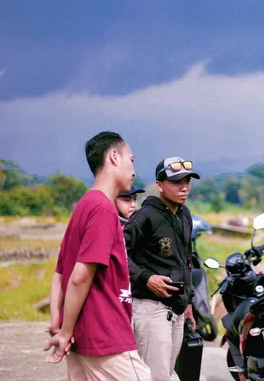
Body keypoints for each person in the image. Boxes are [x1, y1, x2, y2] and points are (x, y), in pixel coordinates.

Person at [43, 131, 151, 380]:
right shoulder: (103, 208)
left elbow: (60, 274)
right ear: (114, 157)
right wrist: (65, 331)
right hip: (105, 337)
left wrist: (58, 324)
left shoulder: (84, 205)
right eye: (131, 159)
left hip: (84, 340)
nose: (134, 170)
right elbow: (79, 277)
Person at [124, 157, 199, 381]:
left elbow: (186, 260)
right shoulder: (145, 216)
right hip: (151, 309)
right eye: (176, 182)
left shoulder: (184, 214)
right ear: (159, 185)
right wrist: (145, 278)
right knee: (156, 377)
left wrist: (188, 302)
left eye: (187, 181)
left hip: (175, 310)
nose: (184, 187)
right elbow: (115, 251)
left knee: (166, 373)